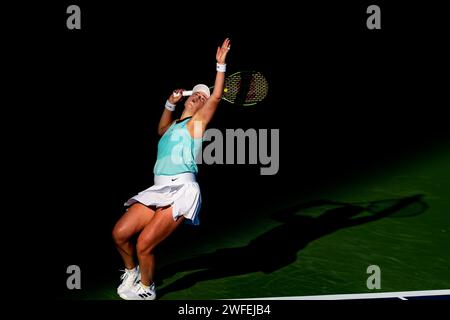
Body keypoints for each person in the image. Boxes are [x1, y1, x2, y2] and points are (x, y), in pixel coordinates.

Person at [111, 38, 231, 300]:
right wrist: (169, 102)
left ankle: (147, 289)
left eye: (203, 97)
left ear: (203, 106)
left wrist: (220, 65)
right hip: (159, 187)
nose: (198, 97)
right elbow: (160, 131)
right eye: (195, 93)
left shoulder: (197, 125)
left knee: (144, 245)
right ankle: (131, 272)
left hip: (182, 189)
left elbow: (217, 96)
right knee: (120, 233)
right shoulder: (175, 126)